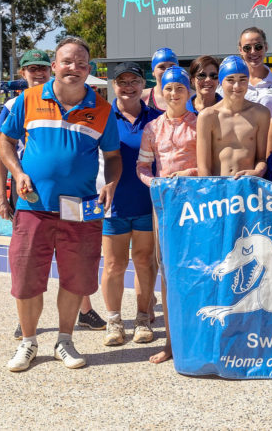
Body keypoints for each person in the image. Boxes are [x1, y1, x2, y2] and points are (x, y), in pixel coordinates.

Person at [0, 36, 121, 373]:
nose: (75, 68)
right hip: (33, 205)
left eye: (82, 63)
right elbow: (5, 142)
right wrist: (17, 173)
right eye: (68, 61)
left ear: (89, 69)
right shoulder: (28, 99)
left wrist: (110, 183)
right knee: (25, 278)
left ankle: (65, 339)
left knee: (76, 279)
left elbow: (112, 157)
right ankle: (28, 342)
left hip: (80, 209)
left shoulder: (102, 110)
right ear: (55, 66)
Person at [137, 65, 198, 364]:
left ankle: (195, 338)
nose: (174, 93)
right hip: (163, 206)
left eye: (180, 88)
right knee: (166, 269)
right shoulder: (153, 128)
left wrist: (188, 174)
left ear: (190, 92)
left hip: (196, 207)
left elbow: (208, 166)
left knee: (197, 267)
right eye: (169, 88)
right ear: (161, 92)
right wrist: (157, 184)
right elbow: (143, 168)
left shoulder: (201, 124)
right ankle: (172, 343)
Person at [99, 61, 162, 349]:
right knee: (113, 264)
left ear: (143, 84)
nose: (128, 86)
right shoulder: (102, 117)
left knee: (144, 262)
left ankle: (142, 318)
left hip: (147, 202)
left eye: (134, 81)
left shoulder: (157, 118)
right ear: (114, 85)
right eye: (122, 81)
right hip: (113, 204)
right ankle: (113, 321)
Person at [197, 56, 270, 178]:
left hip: (246, 188)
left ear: (248, 81)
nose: (237, 86)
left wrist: (258, 172)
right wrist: (210, 191)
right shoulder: (208, 116)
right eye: (230, 80)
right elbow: (203, 167)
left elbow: (261, 159)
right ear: (221, 82)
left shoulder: (261, 114)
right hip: (218, 187)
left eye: (242, 79)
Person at [235, 27, 272, 114]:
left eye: (258, 47)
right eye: (247, 48)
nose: (253, 52)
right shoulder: (232, 83)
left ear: (266, 47)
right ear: (240, 50)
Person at [143, 47, 178, 112]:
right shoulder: (142, 97)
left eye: (172, 66)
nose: (167, 70)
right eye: (161, 67)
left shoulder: (191, 96)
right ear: (153, 72)